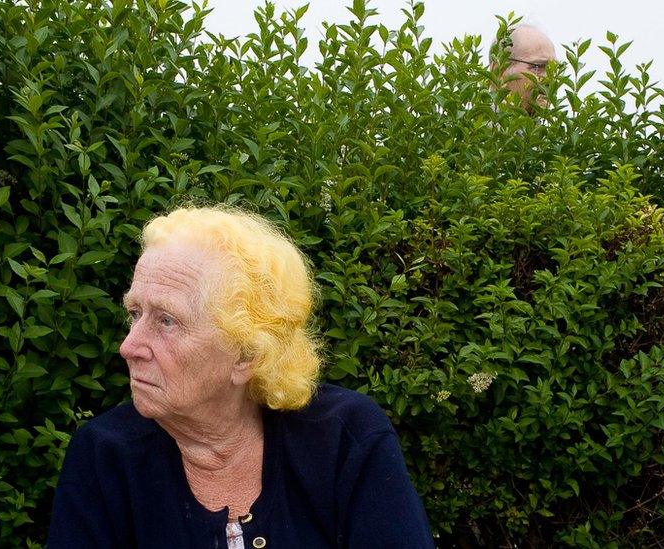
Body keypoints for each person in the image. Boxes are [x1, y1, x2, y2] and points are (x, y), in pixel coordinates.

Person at [47, 206, 434, 548]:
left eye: (166, 320)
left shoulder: (344, 439)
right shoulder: (104, 457)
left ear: (247, 354)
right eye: (135, 314)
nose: (129, 347)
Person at [491, 24, 557, 114]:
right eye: (537, 67)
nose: (549, 79)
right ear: (500, 72)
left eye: (554, 70)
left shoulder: (557, 127)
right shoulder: (471, 126)